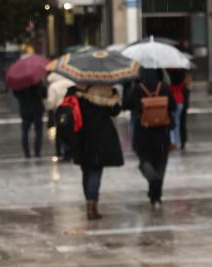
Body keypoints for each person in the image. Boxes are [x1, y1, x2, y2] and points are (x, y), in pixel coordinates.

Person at [124, 68, 176, 208]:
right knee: (161, 162)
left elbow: (126, 104)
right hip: (162, 132)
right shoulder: (164, 87)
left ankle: (152, 179)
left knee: (145, 159)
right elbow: (173, 106)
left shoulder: (137, 88)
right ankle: (156, 195)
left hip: (143, 132)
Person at [69, 84, 124, 220]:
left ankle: (89, 201)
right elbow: (115, 111)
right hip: (101, 135)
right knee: (95, 170)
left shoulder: (77, 90)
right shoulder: (106, 90)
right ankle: (92, 205)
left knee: (86, 169)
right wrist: (113, 95)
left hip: (82, 134)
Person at [14, 79, 47, 158]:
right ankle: (37, 152)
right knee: (38, 131)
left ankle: (27, 153)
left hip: (25, 110)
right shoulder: (37, 82)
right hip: (37, 110)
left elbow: (16, 94)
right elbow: (44, 95)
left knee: (25, 131)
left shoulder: (20, 83)